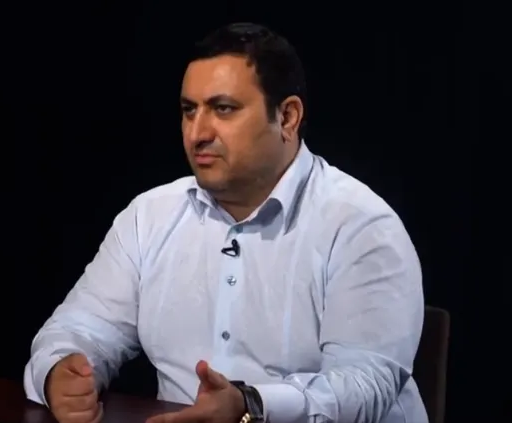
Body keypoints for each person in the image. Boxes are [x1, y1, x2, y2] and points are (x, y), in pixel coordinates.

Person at [23, 22, 427, 423]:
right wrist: (61, 373)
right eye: (189, 110)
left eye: (223, 109)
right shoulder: (149, 217)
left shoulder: (359, 225)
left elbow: (363, 385)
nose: (197, 133)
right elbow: (78, 328)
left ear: (287, 117)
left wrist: (252, 405)